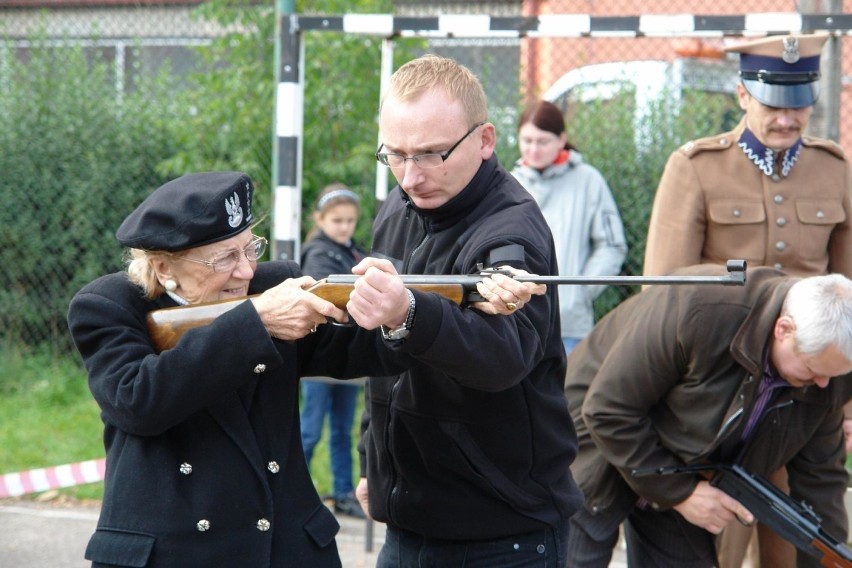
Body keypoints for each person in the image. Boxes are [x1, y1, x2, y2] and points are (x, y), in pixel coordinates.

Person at [66, 171, 540, 567]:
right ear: (164, 268)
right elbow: (138, 401)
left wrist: (429, 306)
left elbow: (367, 348)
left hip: (282, 547)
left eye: (249, 248)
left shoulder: (277, 283)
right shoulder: (107, 306)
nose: (246, 271)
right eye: (224, 258)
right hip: (173, 550)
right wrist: (256, 323)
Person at [344, 54, 582, 568]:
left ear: (485, 140)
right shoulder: (397, 209)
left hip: (503, 532)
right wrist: (374, 463)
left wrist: (410, 313)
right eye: (396, 155)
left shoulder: (511, 232)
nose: (411, 176)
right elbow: (383, 362)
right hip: (411, 518)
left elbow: (502, 358)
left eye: (431, 154)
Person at [642, 33, 852, 567]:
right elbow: (661, 294)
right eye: (773, 104)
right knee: (720, 544)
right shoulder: (695, 168)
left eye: (799, 104)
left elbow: (848, 297)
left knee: (811, 541)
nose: (788, 118)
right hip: (721, 397)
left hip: (807, 401)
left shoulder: (835, 170)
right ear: (741, 95)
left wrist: (846, 396)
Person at [563, 264, 852, 568]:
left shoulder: (830, 372)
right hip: (599, 442)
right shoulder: (701, 307)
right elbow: (607, 410)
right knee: (576, 556)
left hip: (690, 464)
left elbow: (822, 480)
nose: (822, 384)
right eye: (812, 370)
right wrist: (682, 495)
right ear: (784, 329)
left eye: (832, 376)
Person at [511, 100, 627, 354]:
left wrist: (580, 291)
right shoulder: (510, 184)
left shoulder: (588, 180)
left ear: (561, 139)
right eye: (527, 140)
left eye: (542, 142)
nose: (533, 149)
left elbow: (611, 245)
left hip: (571, 327)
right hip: (517, 326)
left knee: (569, 393)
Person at [299, 183, 367, 519]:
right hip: (321, 356)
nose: (344, 227)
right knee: (310, 428)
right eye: (337, 220)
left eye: (350, 221)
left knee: (343, 429)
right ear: (320, 219)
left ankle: (342, 493)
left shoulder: (356, 252)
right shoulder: (317, 253)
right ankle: (292, 489)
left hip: (349, 355)